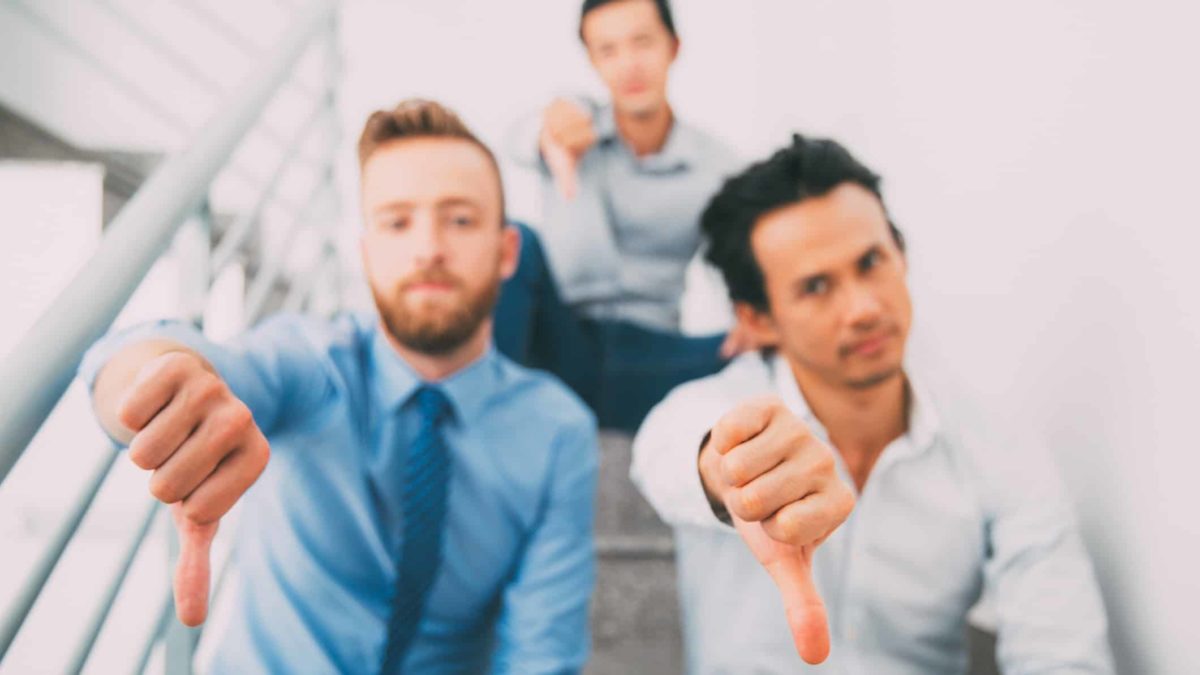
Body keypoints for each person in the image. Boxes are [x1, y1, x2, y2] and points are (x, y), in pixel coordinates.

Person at [79, 100, 598, 674]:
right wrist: (155, 377)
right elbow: (153, 362)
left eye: (460, 219)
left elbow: (541, 656)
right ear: (367, 253)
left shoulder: (558, 432)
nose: (428, 248)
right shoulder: (309, 361)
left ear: (507, 253)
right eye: (397, 222)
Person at [631, 134, 1114, 673]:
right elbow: (666, 448)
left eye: (871, 261)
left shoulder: (996, 447)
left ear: (901, 255)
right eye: (816, 286)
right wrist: (727, 474)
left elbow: (1061, 647)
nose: (863, 307)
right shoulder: (713, 406)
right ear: (756, 320)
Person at [498, 0, 752, 432]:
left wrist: (754, 317)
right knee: (516, 239)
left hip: (649, 353)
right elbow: (516, 139)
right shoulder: (572, 129)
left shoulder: (718, 168)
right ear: (592, 60)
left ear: (673, 46)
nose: (628, 66)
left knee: (758, 345)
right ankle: (488, 419)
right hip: (561, 339)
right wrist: (548, 136)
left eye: (642, 43)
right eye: (608, 51)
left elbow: (744, 262)